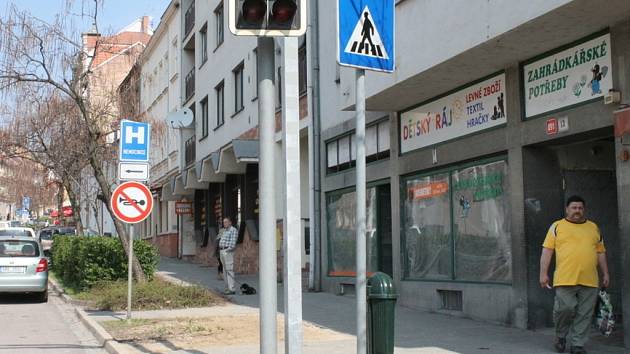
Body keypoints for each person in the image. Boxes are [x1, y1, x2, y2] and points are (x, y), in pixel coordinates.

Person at [539, 195, 609, 354]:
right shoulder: (557, 226)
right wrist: (543, 274)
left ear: (584, 210)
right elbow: (547, 251)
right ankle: (560, 336)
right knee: (565, 309)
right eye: (574, 208)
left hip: (590, 279)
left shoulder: (593, 227)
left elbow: (601, 252)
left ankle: (578, 344)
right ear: (567, 209)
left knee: (585, 313)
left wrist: (605, 273)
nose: (577, 211)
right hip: (565, 278)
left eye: (580, 208)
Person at [218, 217, 238, 295]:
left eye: (226, 222)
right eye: (224, 222)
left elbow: (233, 244)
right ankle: (227, 288)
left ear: (230, 222)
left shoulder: (233, 230)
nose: (224, 223)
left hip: (227, 252)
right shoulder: (224, 230)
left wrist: (226, 250)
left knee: (229, 270)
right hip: (222, 251)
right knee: (224, 270)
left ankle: (232, 289)